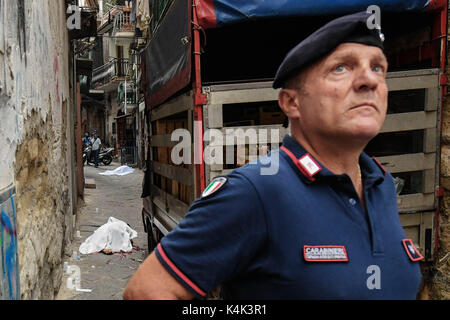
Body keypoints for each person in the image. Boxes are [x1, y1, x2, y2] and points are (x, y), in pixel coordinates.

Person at [123, 11, 423, 300]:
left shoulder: (381, 185)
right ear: (292, 102)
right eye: (341, 68)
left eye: (378, 68)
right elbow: (146, 291)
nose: (369, 81)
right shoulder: (255, 191)